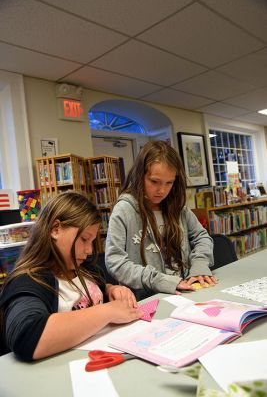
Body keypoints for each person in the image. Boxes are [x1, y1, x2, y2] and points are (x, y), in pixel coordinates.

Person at [0, 192, 143, 361]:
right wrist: (108, 311)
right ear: (55, 229)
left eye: (91, 242)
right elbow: (27, 336)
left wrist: (111, 289)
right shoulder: (29, 281)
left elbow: (96, 291)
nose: (89, 250)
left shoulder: (85, 269)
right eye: (84, 239)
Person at [105, 141, 217, 300]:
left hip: (185, 290)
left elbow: (202, 237)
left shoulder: (178, 207)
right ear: (140, 175)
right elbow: (115, 262)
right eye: (154, 181)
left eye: (169, 182)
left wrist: (199, 265)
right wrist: (160, 281)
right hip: (147, 298)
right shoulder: (124, 210)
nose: (162, 190)